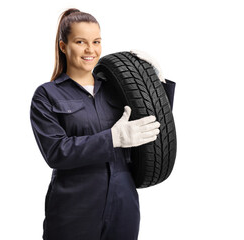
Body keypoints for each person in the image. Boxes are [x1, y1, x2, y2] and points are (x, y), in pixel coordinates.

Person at [30, 8, 176, 240]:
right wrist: (112, 139)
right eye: (80, 41)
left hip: (123, 202)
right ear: (63, 46)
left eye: (96, 41)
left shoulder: (116, 87)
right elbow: (56, 152)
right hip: (74, 206)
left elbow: (154, 127)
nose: (91, 50)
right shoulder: (47, 95)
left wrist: (156, 82)